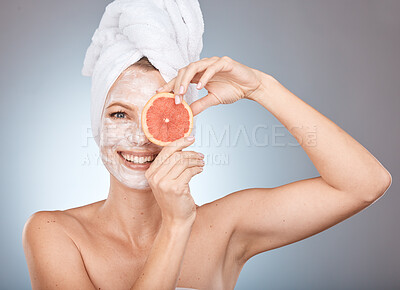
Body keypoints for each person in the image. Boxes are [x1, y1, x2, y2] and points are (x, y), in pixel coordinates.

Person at [22, 55, 391, 290]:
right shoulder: (54, 234)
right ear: (97, 125)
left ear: (183, 124)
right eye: (119, 114)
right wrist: (176, 226)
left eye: (159, 115)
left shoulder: (226, 226)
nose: (141, 136)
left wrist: (262, 88)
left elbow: (365, 184)